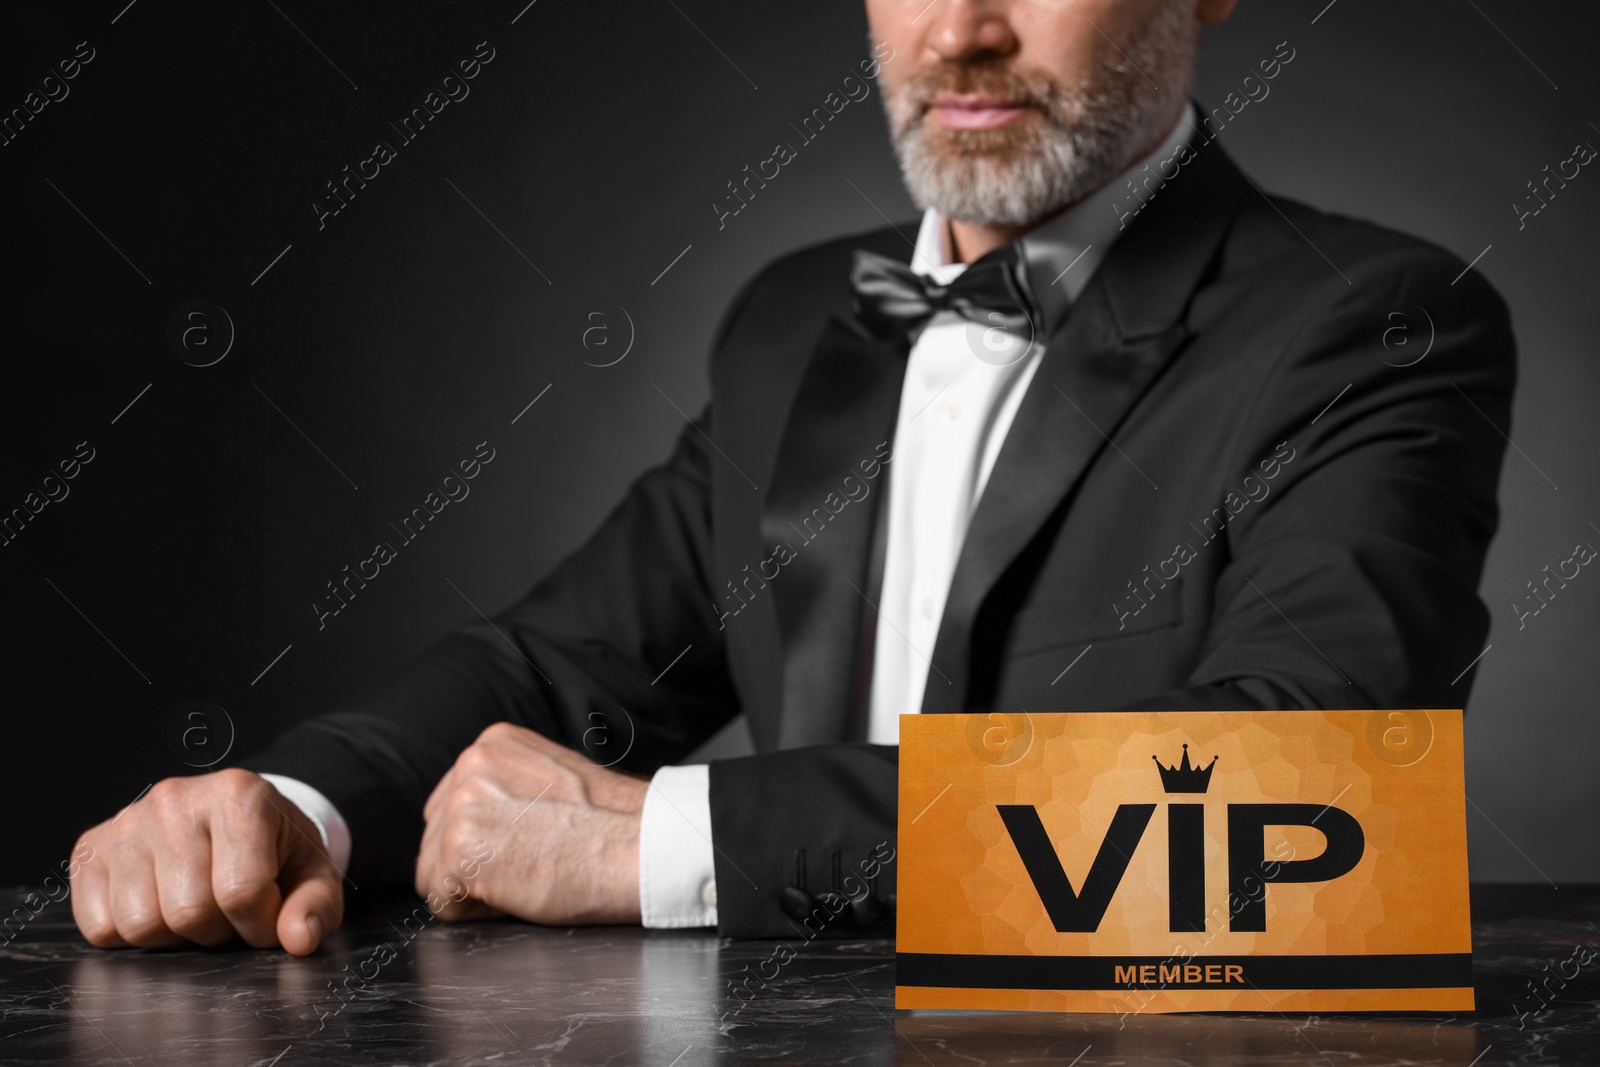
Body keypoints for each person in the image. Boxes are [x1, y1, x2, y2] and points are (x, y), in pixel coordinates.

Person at [70, 0, 1514, 954]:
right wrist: (286, 806)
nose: (960, 32)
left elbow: (1313, 806)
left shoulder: (1371, 320)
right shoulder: (797, 318)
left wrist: (671, 845)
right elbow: (562, 662)